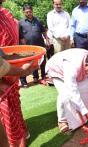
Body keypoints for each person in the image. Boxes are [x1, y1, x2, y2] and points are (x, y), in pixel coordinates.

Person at [45, 49, 88, 133]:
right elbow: (73, 91)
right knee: (65, 95)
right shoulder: (72, 66)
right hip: (57, 71)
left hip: (77, 71)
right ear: (86, 65)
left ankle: (85, 112)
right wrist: (85, 113)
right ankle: (62, 121)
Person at [0, 1, 37, 146]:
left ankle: (22, 135)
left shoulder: (6, 14)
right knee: (7, 114)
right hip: (3, 81)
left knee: (15, 107)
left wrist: (20, 68)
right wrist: (21, 70)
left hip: (11, 76)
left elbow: (7, 50)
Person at [19, 4, 49, 86]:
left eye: (30, 12)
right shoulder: (21, 23)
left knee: (42, 62)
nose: (29, 13)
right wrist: (24, 47)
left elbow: (44, 32)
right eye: (27, 12)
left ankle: (43, 76)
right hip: (28, 47)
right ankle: (35, 77)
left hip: (40, 46)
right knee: (31, 63)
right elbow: (20, 36)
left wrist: (47, 40)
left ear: (32, 11)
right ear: (24, 12)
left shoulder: (38, 21)